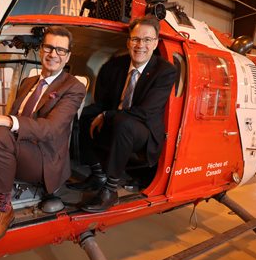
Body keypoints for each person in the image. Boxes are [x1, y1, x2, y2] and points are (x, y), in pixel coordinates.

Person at [0, 26, 86, 247]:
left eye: (61, 50)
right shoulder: (29, 82)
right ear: (41, 48)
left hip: (43, 159)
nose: (53, 54)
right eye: (49, 47)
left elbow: (50, 129)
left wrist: (4, 120)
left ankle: (3, 208)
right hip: (16, 147)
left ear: (67, 56)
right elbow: (14, 119)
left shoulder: (73, 87)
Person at [68, 15, 177, 213]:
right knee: (85, 114)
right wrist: (100, 113)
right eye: (135, 39)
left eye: (147, 40)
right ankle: (97, 174)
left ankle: (110, 191)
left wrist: (108, 116)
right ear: (128, 42)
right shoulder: (115, 65)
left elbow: (146, 111)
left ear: (155, 43)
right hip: (117, 117)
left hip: (143, 130)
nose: (140, 45)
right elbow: (103, 101)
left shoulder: (165, 71)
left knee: (123, 122)